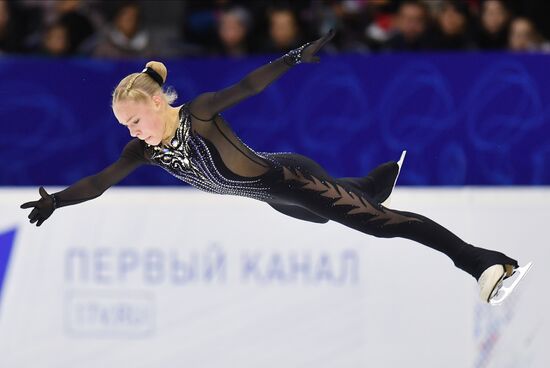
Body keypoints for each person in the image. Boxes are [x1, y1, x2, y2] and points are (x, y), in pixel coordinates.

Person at [20, 30, 530, 305]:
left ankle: (483, 262)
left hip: (285, 176)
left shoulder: (196, 116)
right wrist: (58, 200)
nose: (130, 132)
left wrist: (292, 58)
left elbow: (246, 87)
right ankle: (379, 180)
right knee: (338, 208)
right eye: (124, 126)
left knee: (374, 223)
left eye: (133, 120)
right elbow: (99, 182)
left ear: (156, 105)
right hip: (270, 197)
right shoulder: (144, 150)